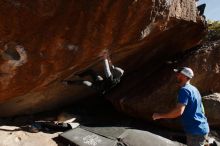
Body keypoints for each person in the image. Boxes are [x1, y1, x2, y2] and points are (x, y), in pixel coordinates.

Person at [152, 67, 210, 146]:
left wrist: (160, 116)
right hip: (201, 128)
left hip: (195, 131)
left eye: (179, 74)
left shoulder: (184, 90)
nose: (177, 76)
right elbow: (202, 108)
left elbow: (179, 111)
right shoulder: (194, 89)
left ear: (185, 76)